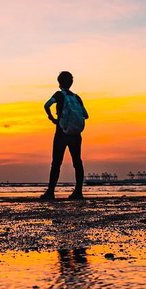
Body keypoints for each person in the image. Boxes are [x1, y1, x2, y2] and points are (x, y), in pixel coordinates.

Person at [41, 71, 88, 200]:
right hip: (75, 134)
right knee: (77, 162)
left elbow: (46, 105)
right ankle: (78, 192)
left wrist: (52, 118)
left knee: (56, 162)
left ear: (59, 82)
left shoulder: (59, 95)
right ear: (71, 82)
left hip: (61, 132)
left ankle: (50, 192)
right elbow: (86, 115)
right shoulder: (77, 97)